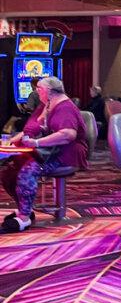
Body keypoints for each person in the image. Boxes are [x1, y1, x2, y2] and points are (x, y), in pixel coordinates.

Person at [2, 76, 88, 232]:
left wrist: (37, 143)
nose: (36, 91)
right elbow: (32, 127)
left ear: (48, 91)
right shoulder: (48, 104)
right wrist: (14, 140)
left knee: (26, 172)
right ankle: (25, 208)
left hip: (66, 152)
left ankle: (24, 218)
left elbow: (68, 135)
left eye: (38, 89)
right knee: (9, 170)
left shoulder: (65, 107)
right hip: (51, 150)